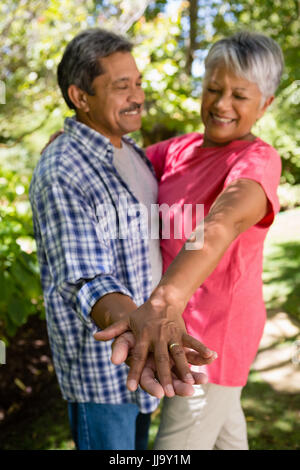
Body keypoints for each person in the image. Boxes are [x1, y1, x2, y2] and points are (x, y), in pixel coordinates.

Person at [96, 31, 284, 450]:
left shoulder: (258, 159)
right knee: (226, 437)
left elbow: (224, 221)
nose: (221, 104)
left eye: (239, 95)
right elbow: (119, 157)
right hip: (181, 325)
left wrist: (164, 303)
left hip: (208, 340)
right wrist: (75, 140)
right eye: (214, 89)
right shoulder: (177, 151)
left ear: (265, 104)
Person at [29, 28, 214, 451]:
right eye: (121, 86)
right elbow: (83, 275)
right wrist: (136, 325)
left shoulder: (131, 151)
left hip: (145, 353)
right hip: (103, 371)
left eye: (138, 83)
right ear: (80, 97)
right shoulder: (63, 169)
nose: (137, 96)